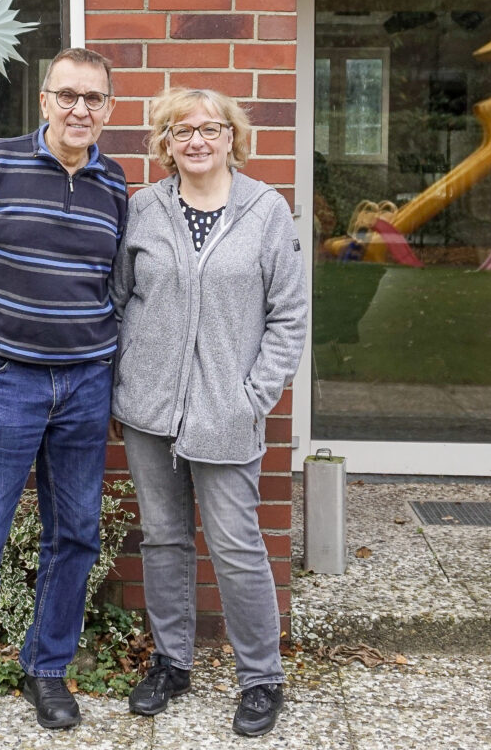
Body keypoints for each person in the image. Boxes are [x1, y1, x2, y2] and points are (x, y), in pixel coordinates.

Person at [0, 47, 125, 750]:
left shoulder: (114, 183)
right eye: (67, 95)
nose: (80, 110)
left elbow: (112, 285)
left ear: (109, 109)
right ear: (43, 101)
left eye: (93, 99)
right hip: (0, 381)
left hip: (82, 384)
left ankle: (47, 669)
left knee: (74, 533)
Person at [109, 88, 308, 737]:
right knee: (164, 536)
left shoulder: (266, 211)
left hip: (228, 411)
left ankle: (261, 679)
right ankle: (172, 663)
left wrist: (255, 396)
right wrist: (122, 380)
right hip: (148, 409)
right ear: (165, 143)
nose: (196, 140)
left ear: (232, 137)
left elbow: (289, 315)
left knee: (237, 545)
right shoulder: (143, 209)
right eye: (180, 130)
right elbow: (118, 299)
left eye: (209, 129)